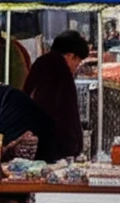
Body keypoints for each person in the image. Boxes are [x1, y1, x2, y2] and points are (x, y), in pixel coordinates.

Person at [24, 30, 89, 159]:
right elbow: (67, 111)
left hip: (34, 137)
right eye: (77, 61)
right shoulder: (62, 71)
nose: (76, 67)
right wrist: (74, 143)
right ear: (70, 55)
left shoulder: (40, 62)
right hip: (56, 143)